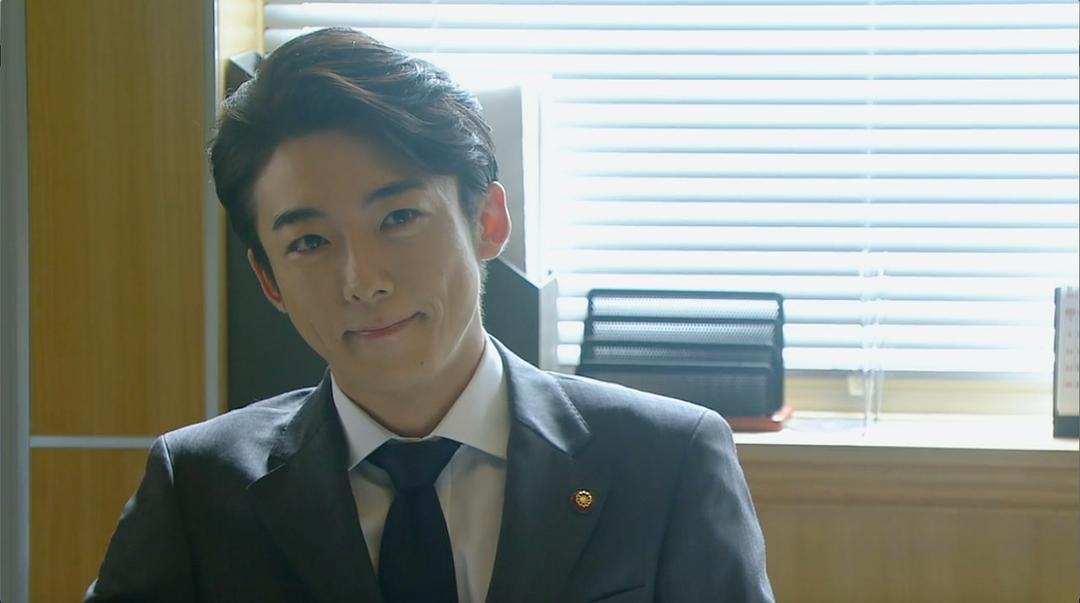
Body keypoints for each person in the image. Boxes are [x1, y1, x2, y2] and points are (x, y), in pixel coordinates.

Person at [86, 27, 774, 603]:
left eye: (399, 218)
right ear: (268, 279)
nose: (364, 282)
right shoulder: (200, 486)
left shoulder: (666, 461)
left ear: (489, 220)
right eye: (310, 242)